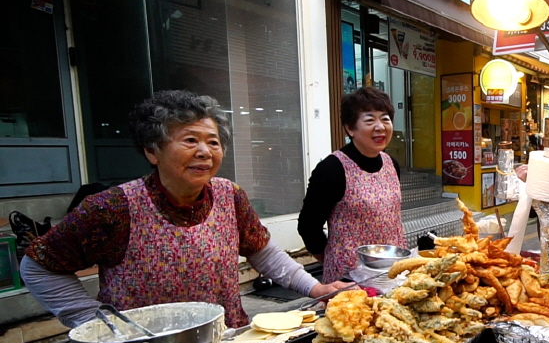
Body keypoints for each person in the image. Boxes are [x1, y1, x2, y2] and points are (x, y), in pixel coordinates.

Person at [21, 91, 346, 329]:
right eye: (190, 140)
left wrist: (315, 288)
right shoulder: (114, 208)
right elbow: (39, 266)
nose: (204, 151)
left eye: (213, 142)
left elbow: (263, 253)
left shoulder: (229, 196)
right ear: (153, 151)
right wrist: (96, 323)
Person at [298, 87, 406, 283]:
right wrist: (333, 260)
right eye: (370, 120)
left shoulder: (392, 164)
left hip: (392, 273)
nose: (380, 126)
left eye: (385, 119)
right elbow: (308, 226)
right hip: (348, 279)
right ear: (350, 128)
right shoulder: (332, 168)